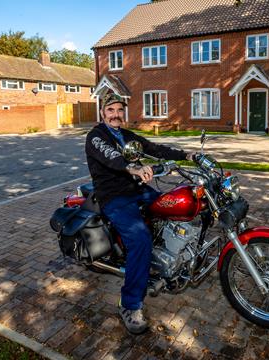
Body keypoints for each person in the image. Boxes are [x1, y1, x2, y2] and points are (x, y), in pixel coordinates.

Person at [85, 92, 195, 334]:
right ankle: (130, 304)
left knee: (171, 207)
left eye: (119, 110)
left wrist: (186, 155)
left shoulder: (126, 135)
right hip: (114, 197)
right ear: (103, 112)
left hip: (136, 190)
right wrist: (134, 168)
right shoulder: (96, 137)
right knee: (140, 239)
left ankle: (169, 259)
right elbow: (112, 158)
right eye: (110, 110)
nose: (116, 114)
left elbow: (153, 148)